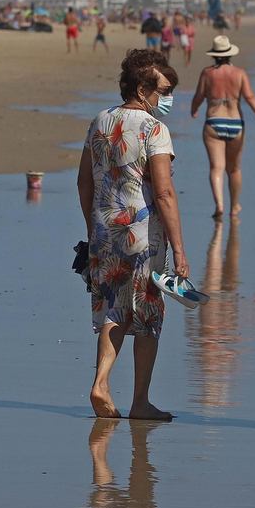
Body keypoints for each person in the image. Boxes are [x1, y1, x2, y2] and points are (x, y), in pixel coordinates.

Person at [78, 49, 188, 420]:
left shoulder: (100, 121)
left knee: (113, 308)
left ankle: (102, 380)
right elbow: (163, 192)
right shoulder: (154, 129)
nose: (168, 98)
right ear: (143, 90)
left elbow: (83, 182)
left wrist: (93, 226)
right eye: (164, 90)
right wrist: (180, 250)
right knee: (147, 315)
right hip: (143, 235)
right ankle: (140, 400)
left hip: (105, 229)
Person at [189, 35, 255, 218]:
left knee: (216, 167)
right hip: (235, 123)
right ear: (230, 53)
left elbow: (199, 96)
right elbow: (250, 97)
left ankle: (220, 205)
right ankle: (234, 206)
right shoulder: (239, 73)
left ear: (214, 54)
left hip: (214, 121)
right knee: (234, 169)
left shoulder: (207, 73)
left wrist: (194, 109)